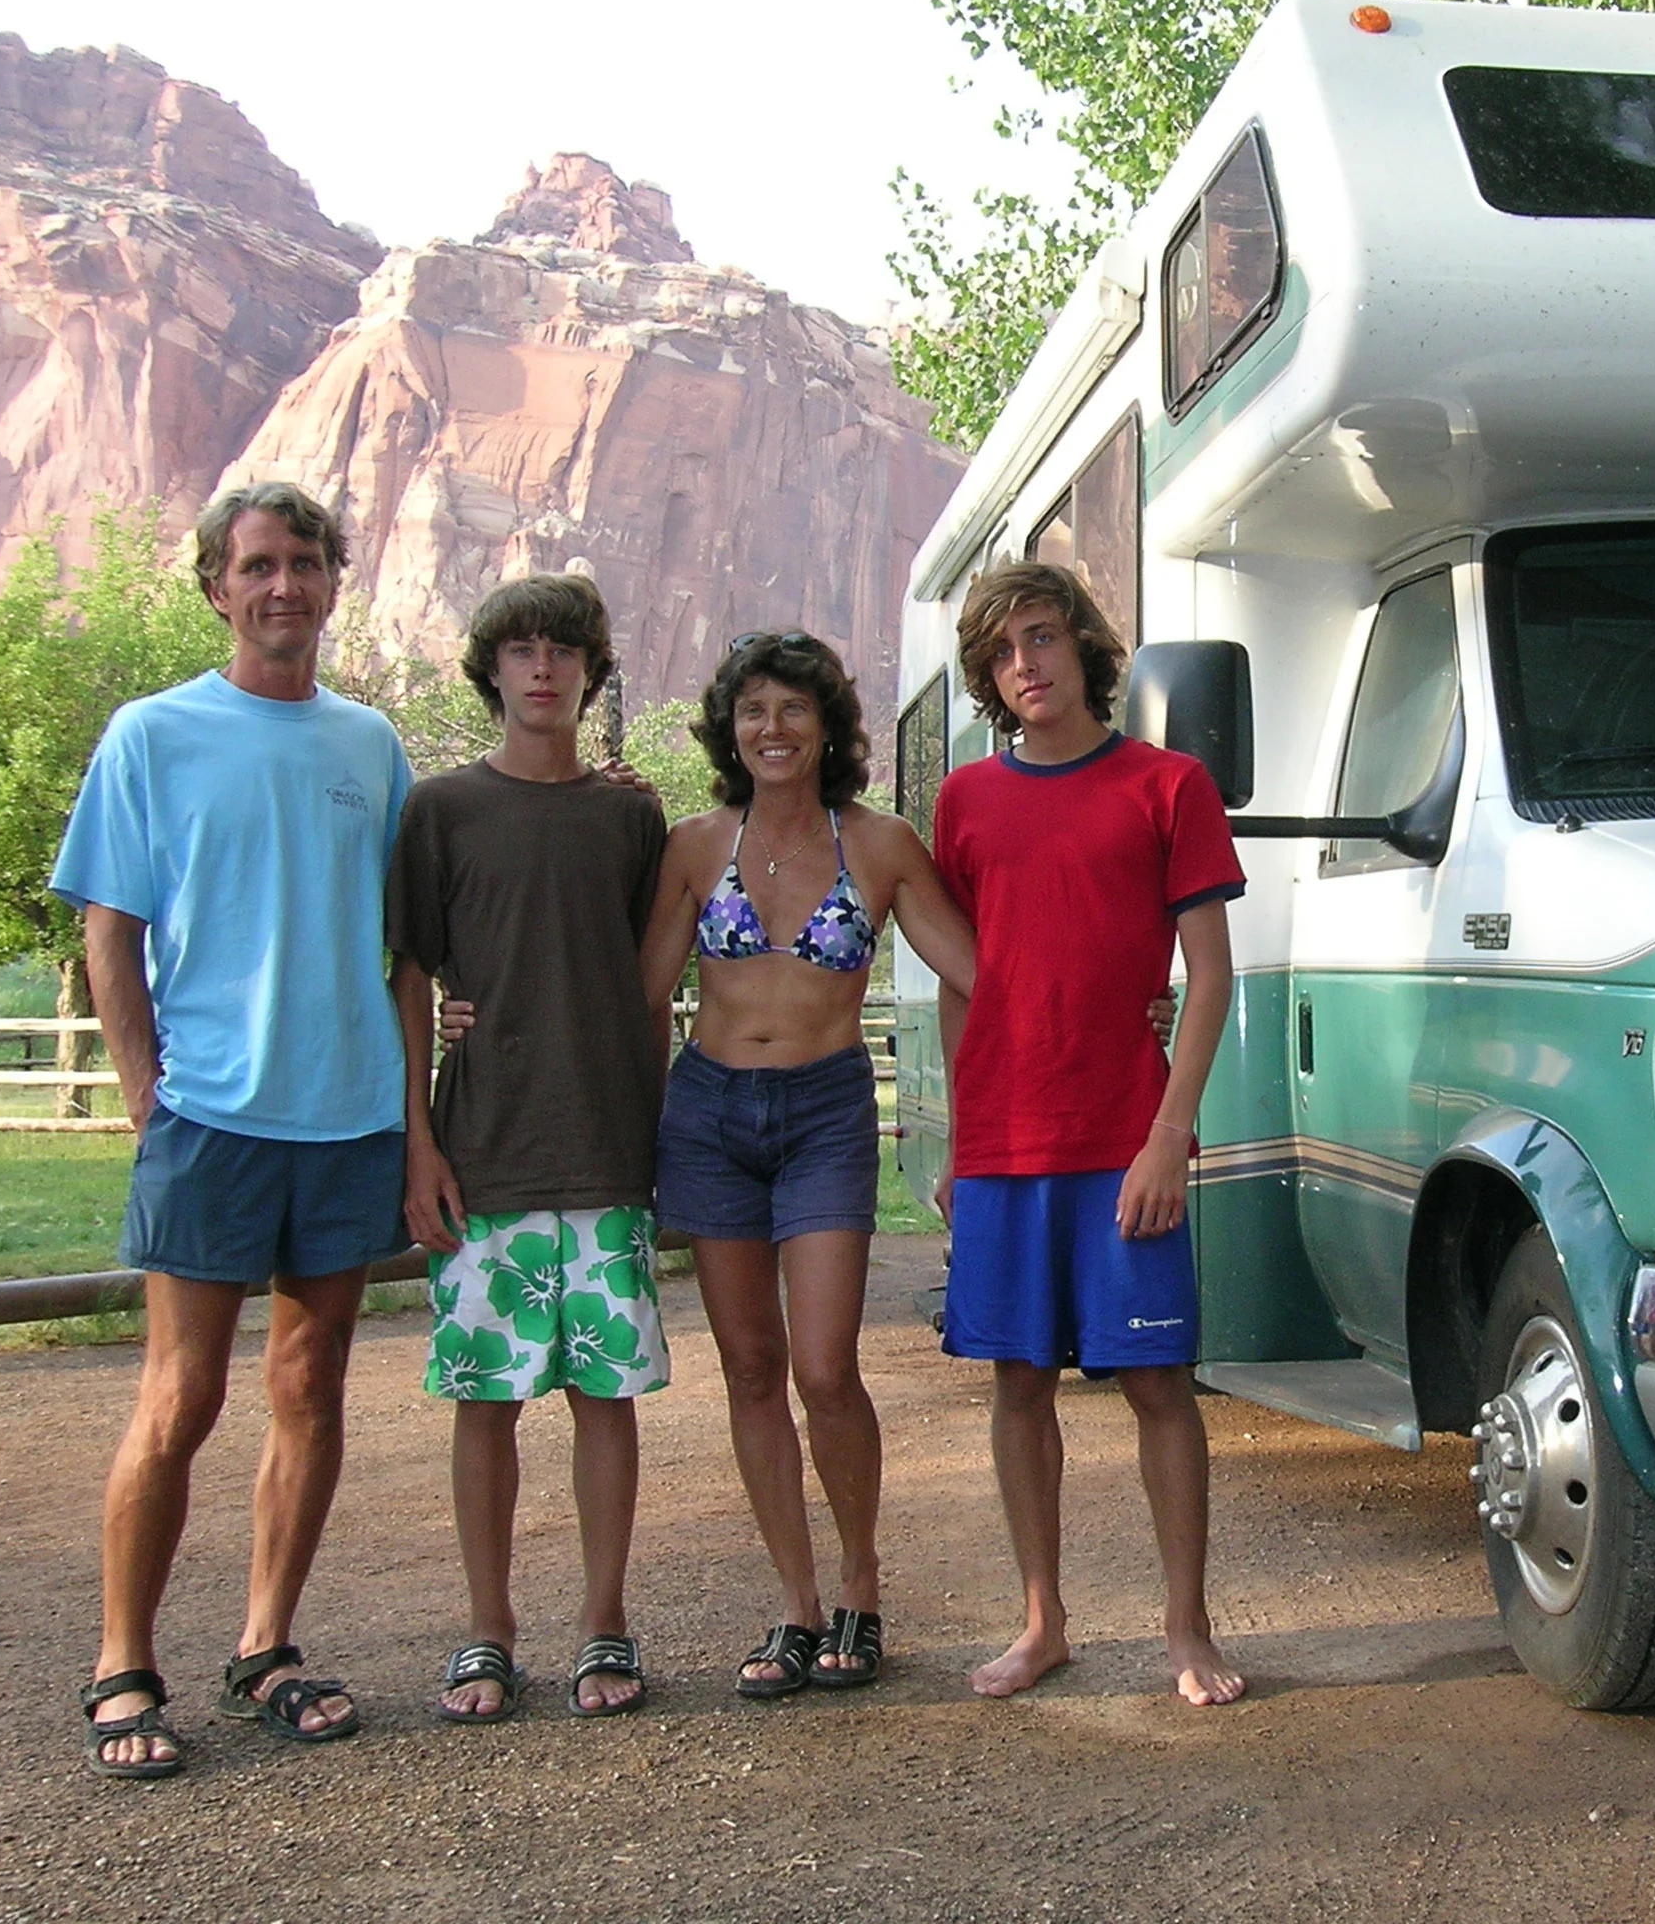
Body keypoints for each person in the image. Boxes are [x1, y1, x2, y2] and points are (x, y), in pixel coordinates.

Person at [54, 482, 409, 1778]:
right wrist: (147, 1089)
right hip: (210, 1119)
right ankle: (121, 1662)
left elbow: (417, 921)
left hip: (348, 1117)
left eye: (306, 563)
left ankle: (267, 1646)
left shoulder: (369, 746)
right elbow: (110, 925)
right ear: (216, 585)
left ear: (331, 582)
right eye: (258, 565)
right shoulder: (152, 736)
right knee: (181, 1395)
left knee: (309, 1386)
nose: (284, 587)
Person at [635, 631, 977, 1697]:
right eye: (752, 709)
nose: (771, 728)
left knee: (826, 1365)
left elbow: (979, 970)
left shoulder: (879, 845)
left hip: (826, 1112)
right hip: (709, 1112)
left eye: (793, 708)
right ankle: (794, 1602)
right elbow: (644, 995)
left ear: (828, 724)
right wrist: (636, 1131)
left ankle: (861, 1585)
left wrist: (971, 1123)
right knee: (749, 1367)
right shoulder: (695, 845)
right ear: (727, 728)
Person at [934, 560, 1247, 1707]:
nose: (1027, 662)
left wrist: (1171, 1133)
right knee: (1018, 1382)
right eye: (1004, 649)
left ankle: (1186, 1626)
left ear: (1083, 650)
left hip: (1126, 1136)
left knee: (1158, 1383)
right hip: (1007, 1143)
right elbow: (963, 983)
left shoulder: (1168, 785)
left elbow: (1208, 978)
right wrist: (958, 1150)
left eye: (1042, 636)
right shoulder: (964, 803)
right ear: (987, 675)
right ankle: (1042, 1621)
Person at [388, 572, 669, 1723]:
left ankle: (605, 1622)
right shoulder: (440, 810)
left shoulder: (630, 817)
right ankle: (487, 1630)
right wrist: (419, 1138)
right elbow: (411, 974)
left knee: (605, 1397)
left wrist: (662, 1138)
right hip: (486, 1147)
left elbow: (656, 980)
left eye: (565, 650)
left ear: (591, 671)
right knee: (486, 1400)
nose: (543, 667)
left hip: (607, 1147)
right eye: (521, 650)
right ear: (491, 669)